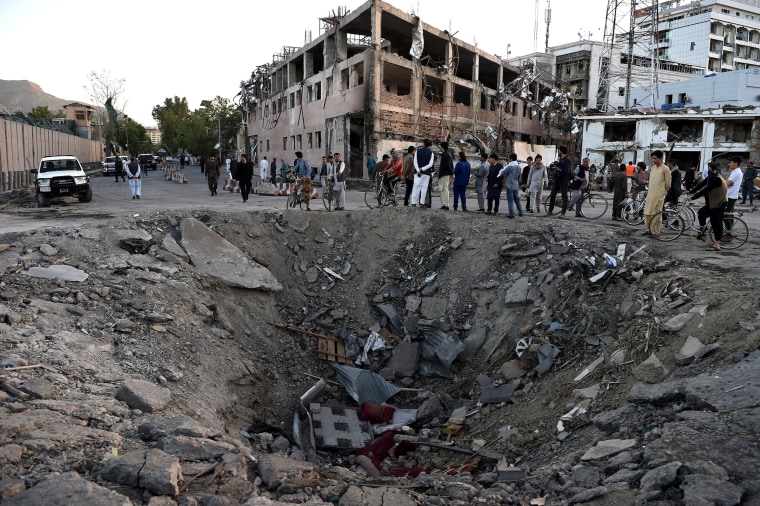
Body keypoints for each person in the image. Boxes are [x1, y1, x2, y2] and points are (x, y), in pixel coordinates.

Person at [691, 162, 727, 251]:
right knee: (701, 214)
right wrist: (690, 191)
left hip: (719, 203)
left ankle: (717, 244)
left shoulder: (717, 179)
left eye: (710, 169)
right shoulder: (711, 177)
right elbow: (702, 185)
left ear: (713, 169)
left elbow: (705, 189)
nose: (709, 171)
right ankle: (703, 233)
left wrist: (692, 198)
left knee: (716, 222)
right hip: (712, 203)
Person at [643, 150, 671, 237]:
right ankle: (647, 229)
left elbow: (668, 184)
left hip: (660, 195)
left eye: (655, 158)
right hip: (650, 193)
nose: (654, 160)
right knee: (647, 212)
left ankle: (656, 232)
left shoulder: (665, 169)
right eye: (653, 159)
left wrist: (664, 193)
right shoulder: (653, 168)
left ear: (661, 158)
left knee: (657, 214)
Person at [547, 145, 571, 215]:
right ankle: (550, 210)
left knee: (564, 196)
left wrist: (558, 168)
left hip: (564, 180)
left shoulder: (567, 160)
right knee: (553, 194)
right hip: (558, 179)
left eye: (559, 151)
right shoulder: (561, 159)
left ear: (561, 151)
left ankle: (563, 212)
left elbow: (565, 171)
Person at [499, 153, 523, 218]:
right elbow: (519, 177)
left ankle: (511, 213)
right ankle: (520, 211)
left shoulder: (510, 166)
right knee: (517, 199)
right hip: (515, 185)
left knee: (510, 200)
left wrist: (504, 166)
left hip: (510, 185)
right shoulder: (518, 167)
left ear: (511, 159)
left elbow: (503, 172)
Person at [412, 139, 434, 207]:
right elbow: (430, 164)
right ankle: (422, 203)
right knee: (424, 188)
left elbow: (415, 162)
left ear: (424, 143)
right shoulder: (431, 153)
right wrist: (423, 169)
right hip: (426, 173)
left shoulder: (417, 151)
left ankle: (414, 202)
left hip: (417, 172)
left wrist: (418, 170)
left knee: (416, 187)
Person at [725, 156, 744, 236]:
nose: (729, 164)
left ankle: (729, 234)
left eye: (731, 163)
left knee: (725, 215)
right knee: (730, 214)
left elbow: (727, 184)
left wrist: (725, 183)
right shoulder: (736, 172)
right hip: (732, 195)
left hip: (730, 196)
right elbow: (729, 183)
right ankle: (729, 231)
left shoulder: (736, 172)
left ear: (736, 163)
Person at [437, 142, 454, 210]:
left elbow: (448, 165)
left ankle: (445, 204)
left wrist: (451, 173)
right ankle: (444, 204)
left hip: (444, 174)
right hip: (445, 174)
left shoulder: (446, 155)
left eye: (441, 147)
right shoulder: (447, 154)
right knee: (443, 189)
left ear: (443, 147)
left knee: (444, 189)